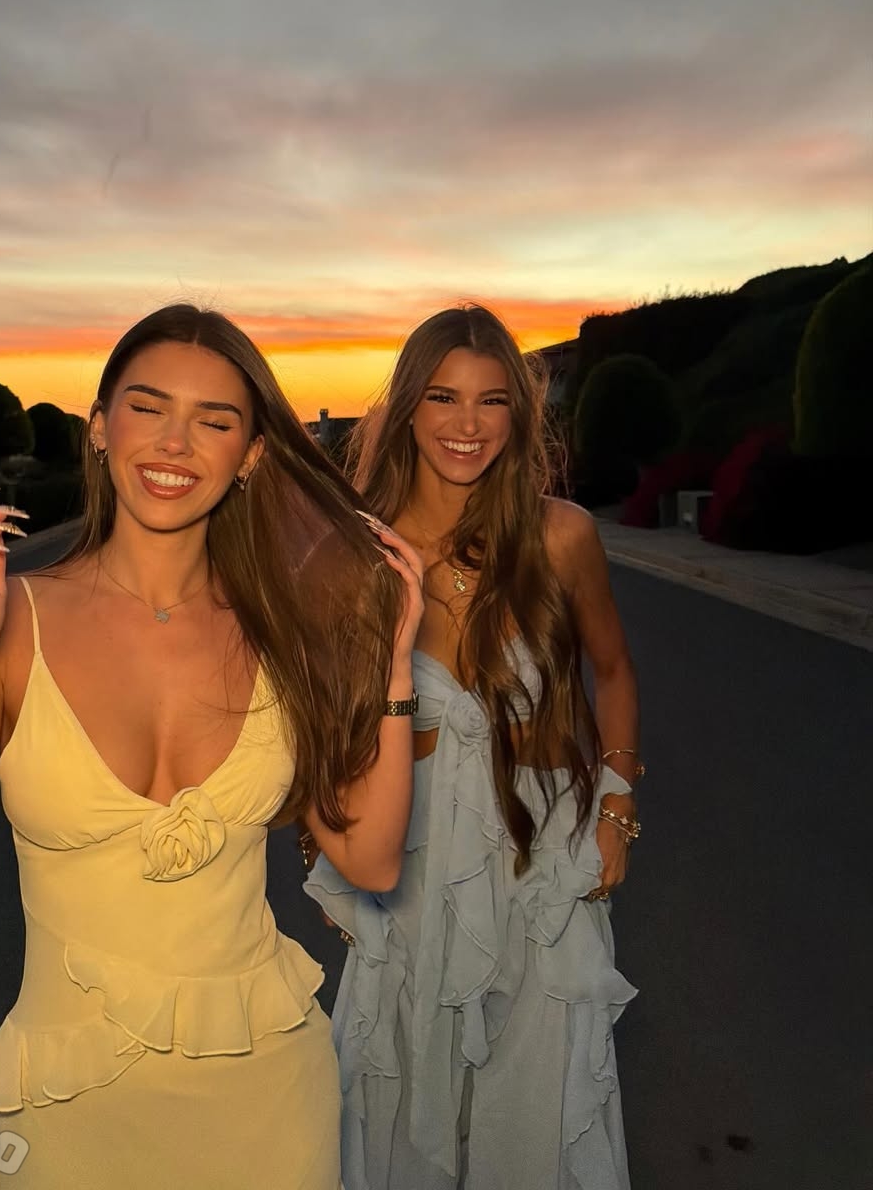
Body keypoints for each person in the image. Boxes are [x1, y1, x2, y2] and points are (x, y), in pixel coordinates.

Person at [0, 303, 424, 1190]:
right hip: (70, 1110)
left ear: (251, 455)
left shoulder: (285, 630)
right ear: (100, 428)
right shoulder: (12, 626)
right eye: (148, 407)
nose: (174, 442)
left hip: (269, 1096)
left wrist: (392, 671)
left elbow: (371, 860)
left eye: (215, 421)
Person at [304, 305, 640, 1190]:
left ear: (518, 416)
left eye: (492, 400)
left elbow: (614, 672)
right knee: (402, 1092)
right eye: (443, 397)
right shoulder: (357, 550)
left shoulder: (561, 535)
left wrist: (617, 807)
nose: (468, 423)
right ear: (408, 407)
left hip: (539, 863)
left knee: (533, 1105)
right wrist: (324, 846)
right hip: (406, 863)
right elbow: (321, 718)